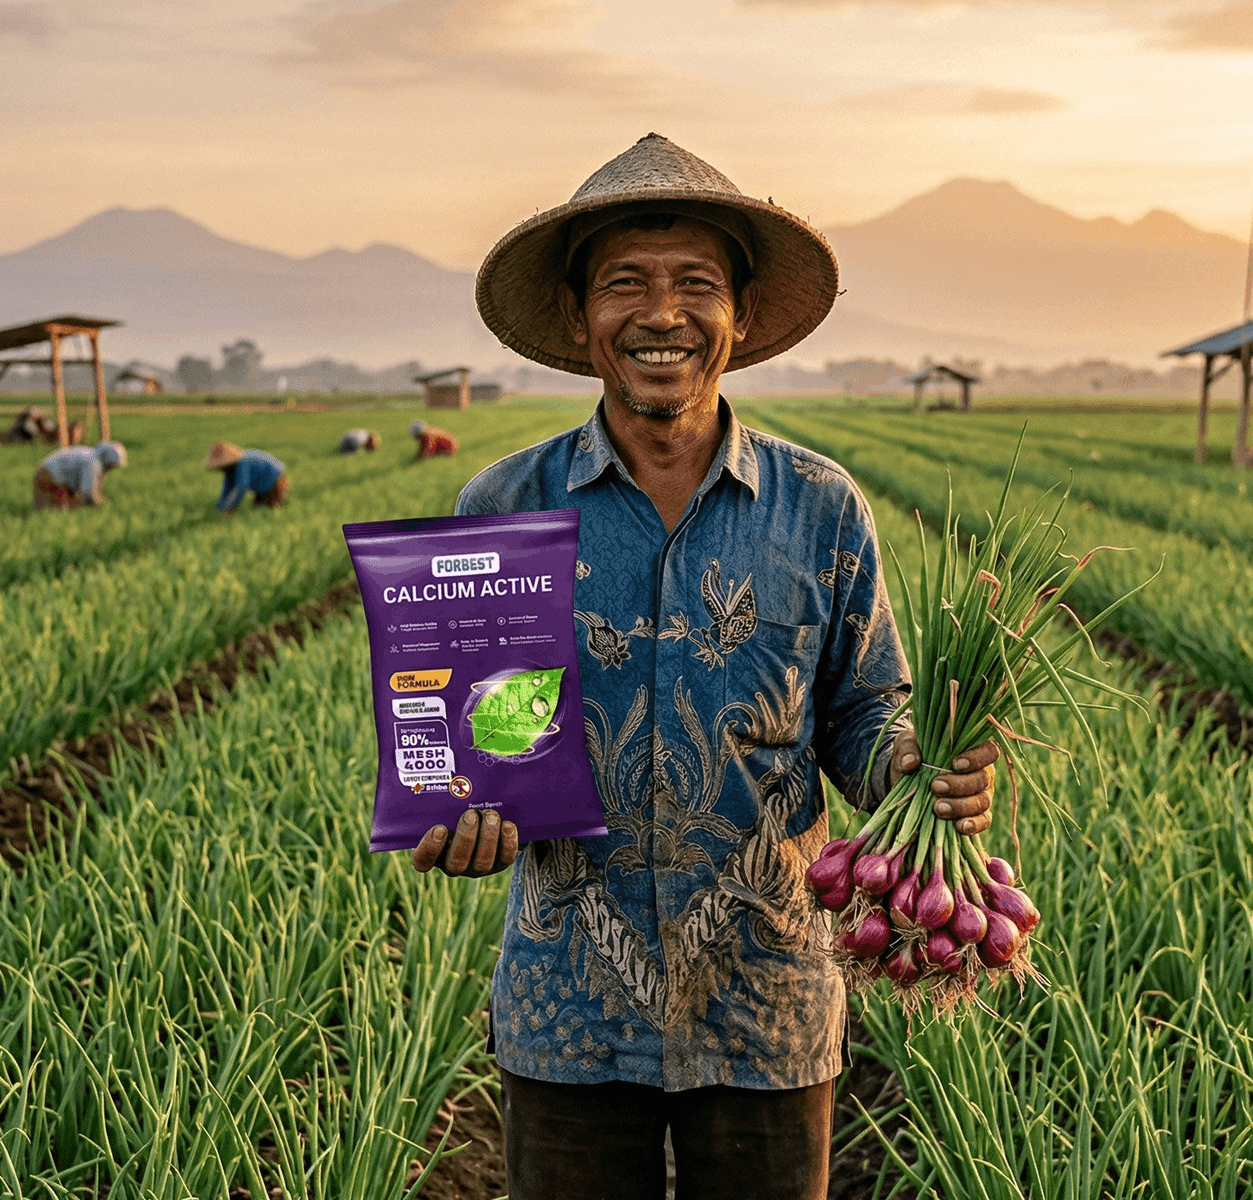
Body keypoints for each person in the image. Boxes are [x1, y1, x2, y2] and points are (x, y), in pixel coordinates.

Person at [412, 134, 997, 1200]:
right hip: (565, 1010)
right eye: (625, 284)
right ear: (581, 314)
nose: (661, 314)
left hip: (767, 997)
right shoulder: (502, 507)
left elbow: (864, 715)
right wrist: (463, 813)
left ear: (739, 317)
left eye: (695, 285)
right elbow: (474, 742)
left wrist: (919, 769)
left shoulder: (819, 506)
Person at [33, 440, 126, 509]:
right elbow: (87, 493)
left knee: (50, 510)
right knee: (63, 509)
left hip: (46, 474)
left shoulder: (91, 454)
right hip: (50, 477)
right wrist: (101, 506)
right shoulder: (93, 463)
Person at [204, 441, 287, 512]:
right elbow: (227, 489)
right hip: (263, 485)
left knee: (270, 508)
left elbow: (242, 487)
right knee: (258, 509)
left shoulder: (243, 464)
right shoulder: (230, 472)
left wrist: (231, 508)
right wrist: (220, 507)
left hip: (275, 480)